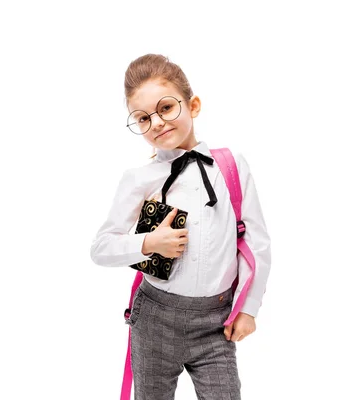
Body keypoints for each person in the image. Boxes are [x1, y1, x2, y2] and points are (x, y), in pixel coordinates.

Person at [89, 53, 271, 400]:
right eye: (143, 117)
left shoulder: (231, 165)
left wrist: (248, 308)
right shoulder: (138, 179)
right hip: (155, 317)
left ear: (193, 105)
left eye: (166, 108)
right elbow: (101, 248)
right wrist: (148, 242)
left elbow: (257, 242)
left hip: (215, 322)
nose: (156, 122)